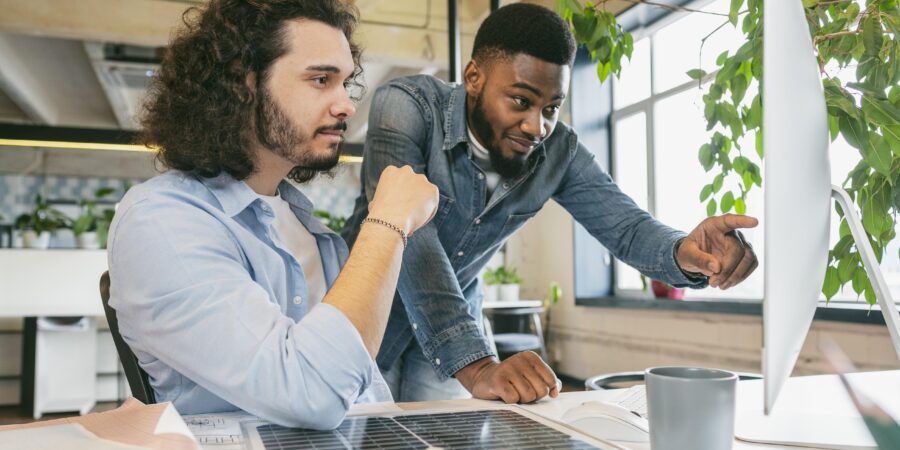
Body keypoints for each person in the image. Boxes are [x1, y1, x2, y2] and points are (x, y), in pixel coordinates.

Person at [342, 3, 759, 404]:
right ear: (474, 77)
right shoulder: (406, 106)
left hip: (452, 326)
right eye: (521, 101)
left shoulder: (560, 151)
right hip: (363, 312)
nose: (536, 126)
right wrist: (478, 364)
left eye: (552, 108)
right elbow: (412, 236)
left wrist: (685, 251)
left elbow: (626, 226)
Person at [107, 0, 438, 429]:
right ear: (246, 85)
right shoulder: (161, 222)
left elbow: (359, 384)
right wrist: (388, 222)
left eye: (345, 83)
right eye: (321, 79)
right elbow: (312, 394)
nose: (346, 106)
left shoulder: (299, 218)